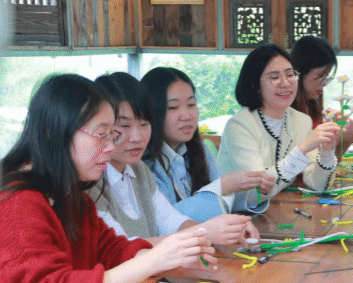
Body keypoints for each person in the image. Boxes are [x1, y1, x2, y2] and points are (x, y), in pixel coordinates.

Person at [0, 73, 217, 283]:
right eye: (101, 135)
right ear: (55, 133)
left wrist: (169, 256)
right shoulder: (18, 203)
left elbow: (112, 250)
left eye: (111, 135)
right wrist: (154, 259)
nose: (110, 147)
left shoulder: (69, 195)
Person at [91, 72, 258, 246]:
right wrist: (206, 232)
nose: (137, 137)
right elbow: (119, 248)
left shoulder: (139, 170)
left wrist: (223, 229)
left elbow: (170, 221)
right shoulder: (90, 184)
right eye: (124, 126)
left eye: (144, 124)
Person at [141, 67, 275, 222]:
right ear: (150, 112)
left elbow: (222, 202)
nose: (187, 116)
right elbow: (165, 221)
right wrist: (222, 187)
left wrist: (256, 191)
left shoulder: (200, 150)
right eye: (173, 107)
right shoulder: (143, 165)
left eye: (191, 104)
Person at [216, 44, 340, 198]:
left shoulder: (302, 121)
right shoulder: (239, 126)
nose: (286, 83)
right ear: (256, 85)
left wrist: (327, 152)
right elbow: (258, 191)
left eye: (290, 75)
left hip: (275, 208)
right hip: (232, 210)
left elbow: (318, 184)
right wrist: (301, 149)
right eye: (274, 78)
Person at [290, 35, 353, 158]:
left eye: (326, 77)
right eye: (320, 76)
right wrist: (342, 136)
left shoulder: (312, 108)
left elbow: (328, 165)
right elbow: (306, 165)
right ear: (300, 72)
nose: (324, 83)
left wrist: (347, 138)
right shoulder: (287, 114)